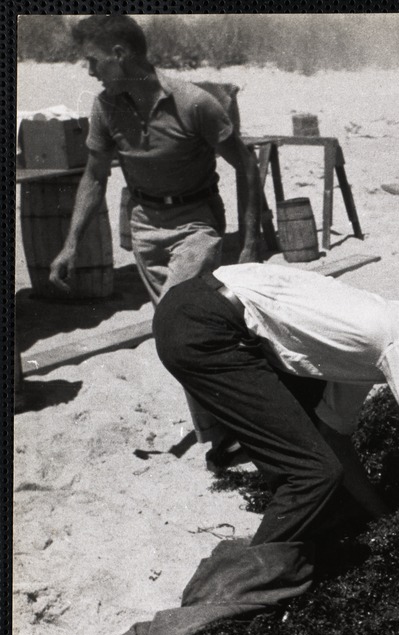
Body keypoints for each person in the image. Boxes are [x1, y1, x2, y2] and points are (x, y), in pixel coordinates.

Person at [153, 262, 399, 569]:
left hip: (188, 304)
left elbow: (334, 436)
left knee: (315, 454)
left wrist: (382, 515)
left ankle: (263, 481)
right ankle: (243, 582)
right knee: (312, 474)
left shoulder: (375, 328)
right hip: (207, 331)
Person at [48, 14, 263, 463]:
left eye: (92, 61)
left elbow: (245, 165)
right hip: (146, 228)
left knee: (180, 327)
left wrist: (248, 241)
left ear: (120, 55)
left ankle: (227, 435)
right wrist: (70, 245)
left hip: (195, 226)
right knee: (190, 335)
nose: (89, 71)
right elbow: (93, 177)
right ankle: (227, 428)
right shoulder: (105, 107)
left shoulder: (193, 104)